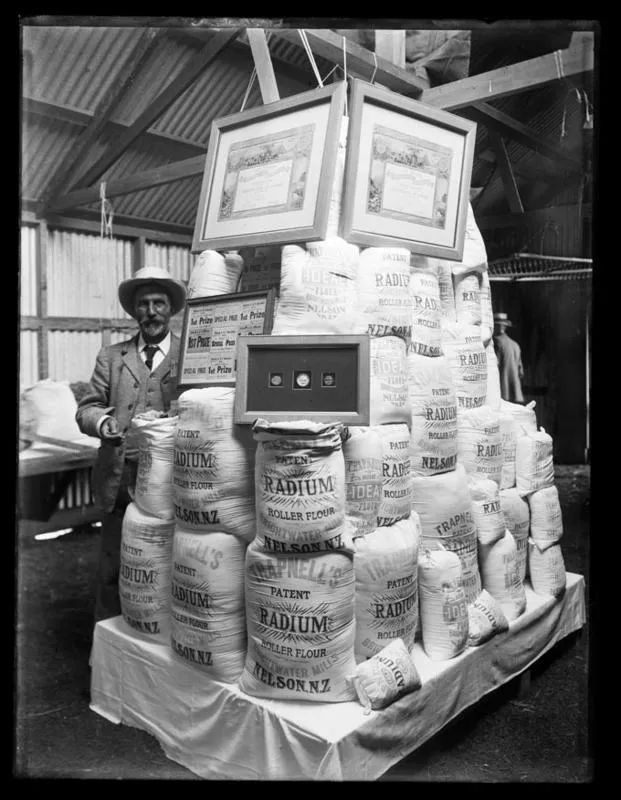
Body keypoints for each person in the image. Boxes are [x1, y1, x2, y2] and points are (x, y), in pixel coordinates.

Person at [76, 266, 187, 625]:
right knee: (113, 565)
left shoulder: (188, 355)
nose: (151, 311)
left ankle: (157, 641)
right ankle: (107, 652)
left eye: (158, 303)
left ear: (171, 309)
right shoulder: (112, 356)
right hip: (119, 478)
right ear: (134, 311)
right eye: (143, 304)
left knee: (168, 563)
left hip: (171, 481)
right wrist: (102, 423)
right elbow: (87, 407)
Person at [493, 311, 525, 403]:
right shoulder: (515, 345)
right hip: (515, 393)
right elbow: (521, 372)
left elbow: (495, 366)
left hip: (502, 393)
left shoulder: (496, 343)